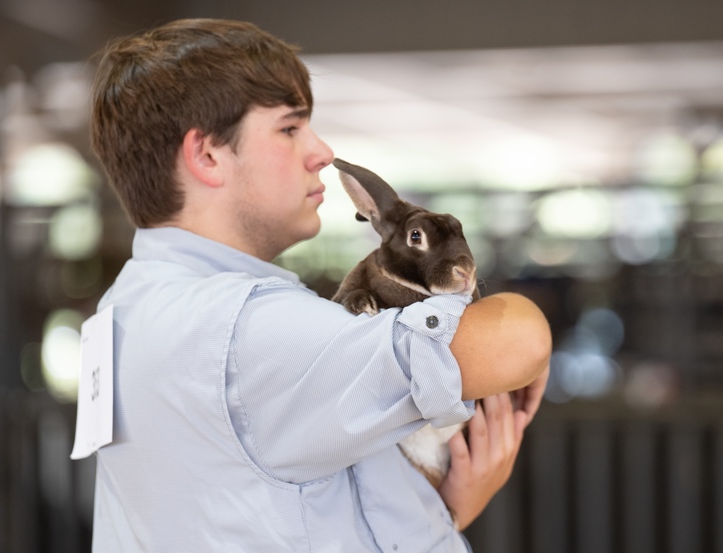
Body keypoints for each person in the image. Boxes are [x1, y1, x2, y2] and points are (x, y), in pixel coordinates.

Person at [88, 18, 551, 552]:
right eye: (289, 128)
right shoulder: (249, 331)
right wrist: (516, 320)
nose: (323, 152)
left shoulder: (126, 309)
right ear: (208, 155)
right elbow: (518, 340)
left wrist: (446, 509)